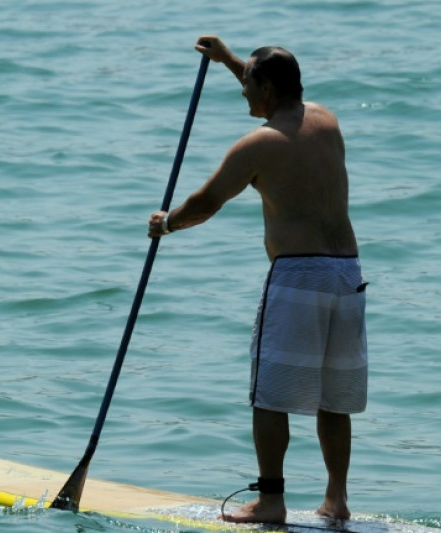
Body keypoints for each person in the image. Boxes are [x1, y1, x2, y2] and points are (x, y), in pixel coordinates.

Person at [148, 36, 368, 524]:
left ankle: (270, 500)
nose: (243, 93)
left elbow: (205, 204)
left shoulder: (256, 147)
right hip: (347, 274)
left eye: (248, 83)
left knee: (269, 395)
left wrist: (166, 224)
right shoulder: (326, 121)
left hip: (297, 276)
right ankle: (337, 500)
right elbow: (278, 107)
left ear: (265, 85)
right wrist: (231, 61)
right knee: (334, 398)